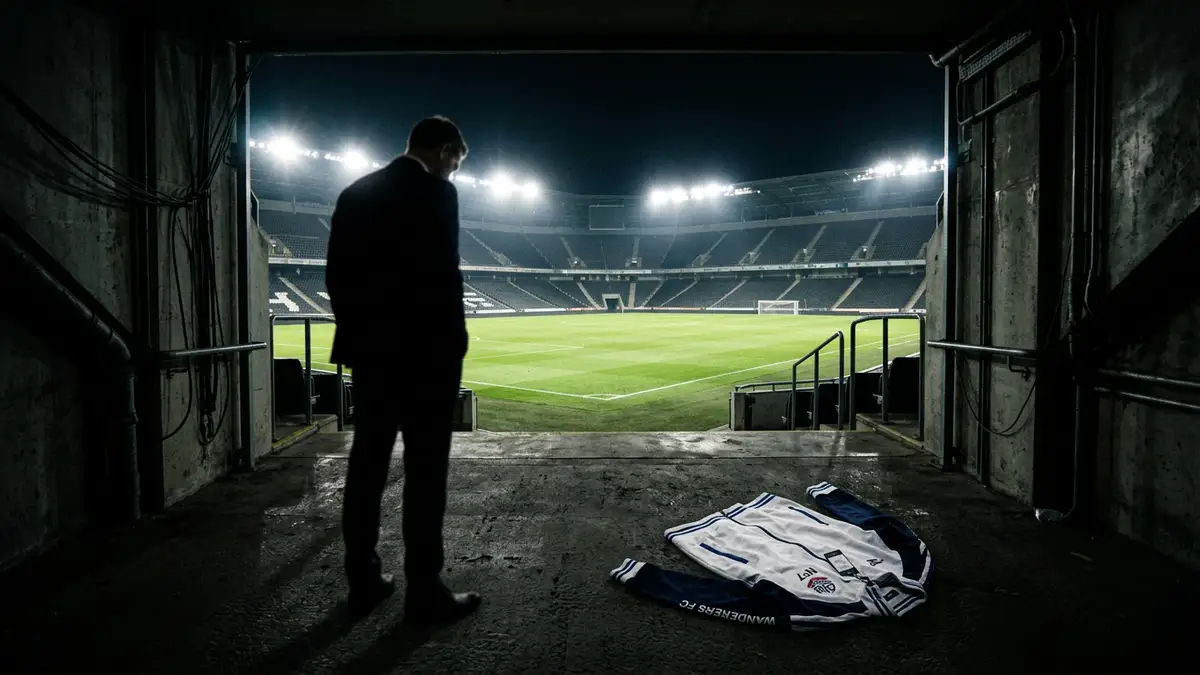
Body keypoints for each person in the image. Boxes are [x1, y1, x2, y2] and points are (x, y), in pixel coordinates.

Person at [325, 115, 481, 622]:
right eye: (455, 161)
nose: (453, 172)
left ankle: (363, 581)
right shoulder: (438, 195)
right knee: (425, 471)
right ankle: (423, 589)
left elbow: (336, 278)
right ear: (441, 150)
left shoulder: (355, 192)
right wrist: (453, 346)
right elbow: (443, 276)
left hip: (371, 355)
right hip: (426, 359)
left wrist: (362, 338)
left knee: (366, 464)